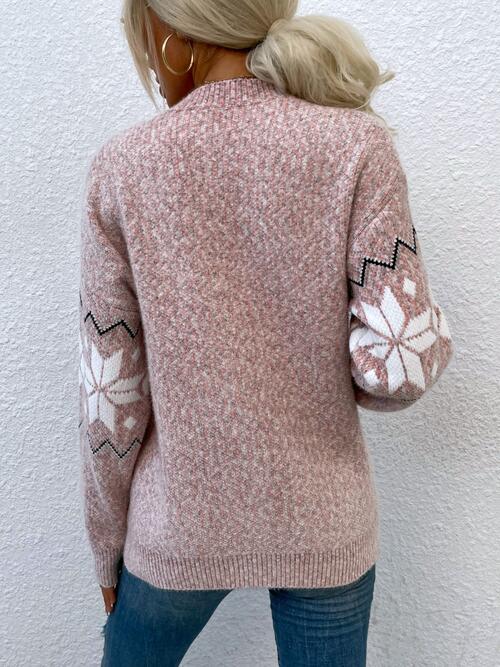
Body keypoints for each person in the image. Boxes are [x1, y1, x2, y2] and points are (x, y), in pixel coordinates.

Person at [78, 1, 455, 665]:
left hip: (180, 525)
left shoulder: (123, 166)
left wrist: (107, 547)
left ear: (176, 37)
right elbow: (402, 366)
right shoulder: (356, 146)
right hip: (326, 522)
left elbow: (112, 399)